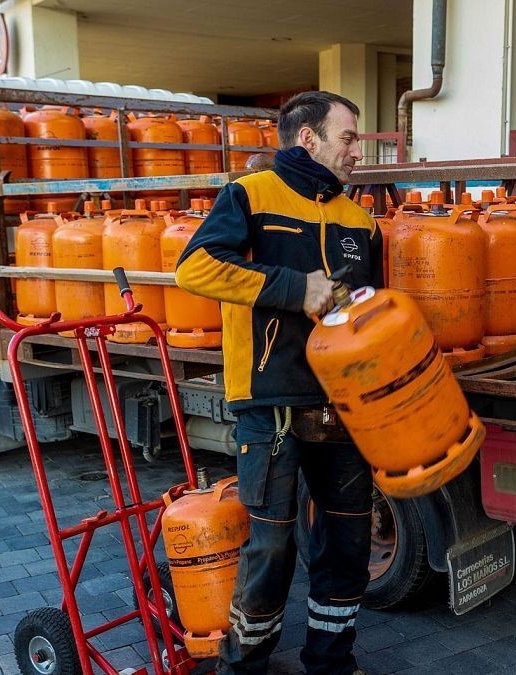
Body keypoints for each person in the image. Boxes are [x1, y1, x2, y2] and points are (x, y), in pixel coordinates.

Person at [174, 91, 380, 675]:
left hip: (342, 404)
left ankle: (331, 661)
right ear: (307, 138)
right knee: (271, 547)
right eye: (348, 137)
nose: (356, 151)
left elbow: (372, 314)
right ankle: (244, 666)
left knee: (346, 544)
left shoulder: (358, 221)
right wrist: (297, 288)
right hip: (270, 402)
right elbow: (195, 267)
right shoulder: (250, 196)